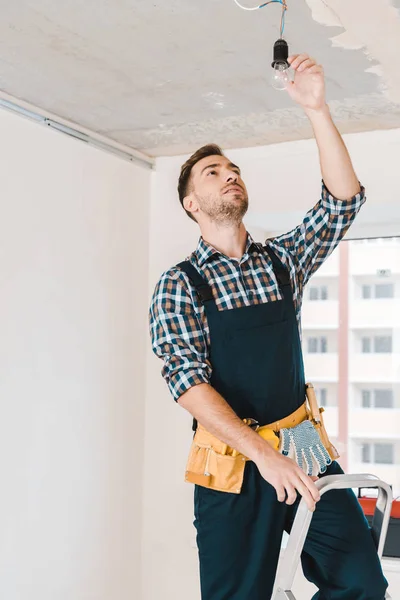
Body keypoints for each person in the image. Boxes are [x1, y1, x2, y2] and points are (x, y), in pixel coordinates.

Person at [149, 53, 388, 600]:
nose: (230, 174)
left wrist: (317, 109)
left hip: (302, 446)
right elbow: (186, 382)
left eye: (233, 168)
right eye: (214, 172)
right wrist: (263, 454)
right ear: (191, 203)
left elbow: (342, 203)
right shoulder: (180, 284)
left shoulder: (280, 262)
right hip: (231, 461)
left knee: (361, 584)